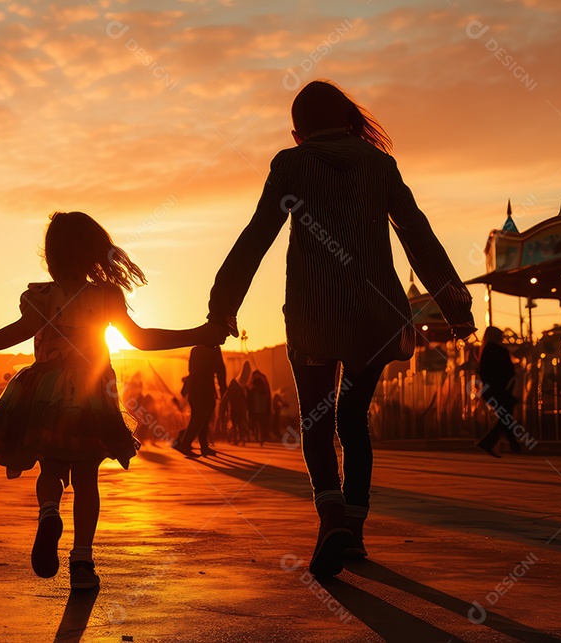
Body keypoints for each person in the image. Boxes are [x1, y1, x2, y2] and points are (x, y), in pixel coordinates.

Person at [206, 80, 474, 577]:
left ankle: (331, 518)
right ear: (347, 118)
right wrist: (455, 305)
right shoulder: (379, 164)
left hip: (313, 315)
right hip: (375, 316)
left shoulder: (291, 164)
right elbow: (416, 231)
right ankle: (355, 533)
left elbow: (257, 235)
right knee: (354, 420)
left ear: (297, 131)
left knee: (317, 420)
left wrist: (222, 306)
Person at [0, 211, 224, 591]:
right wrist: (198, 333)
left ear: (50, 257)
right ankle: (82, 562)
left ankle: (49, 513)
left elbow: (13, 334)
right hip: (92, 392)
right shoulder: (105, 296)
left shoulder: (40, 296)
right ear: (92, 254)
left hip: (45, 391)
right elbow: (141, 339)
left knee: (49, 468)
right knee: (87, 479)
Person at [173, 344, 227, 457]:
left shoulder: (196, 349)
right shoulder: (213, 348)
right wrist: (223, 390)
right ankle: (185, 443)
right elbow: (220, 369)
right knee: (200, 417)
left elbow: (192, 369)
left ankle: (203, 446)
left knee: (203, 418)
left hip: (197, 389)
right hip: (204, 389)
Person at [475, 326, 521, 457]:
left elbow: (483, 371)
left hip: (490, 390)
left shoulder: (484, 350)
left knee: (505, 418)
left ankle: (514, 445)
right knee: (505, 418)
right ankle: (488, 443)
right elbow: (508, 370)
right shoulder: (498, 350)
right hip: (501, 390)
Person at [247, 368, 272, 446]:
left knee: (258, 423)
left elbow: (249, 395)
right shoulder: (263, 387)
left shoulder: (254, 387)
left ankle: (259, 438)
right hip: (261, 409)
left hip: (256, 409)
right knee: (261, 424)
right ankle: (261, 438)